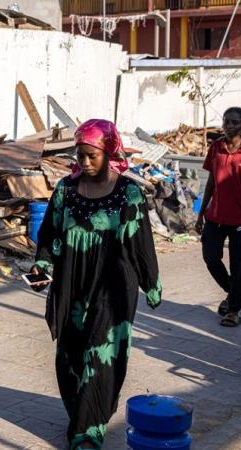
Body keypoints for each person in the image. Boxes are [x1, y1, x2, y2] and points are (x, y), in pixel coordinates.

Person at [30, 119, 162, 449]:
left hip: (115, 287)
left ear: (109, 152)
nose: (85, 162)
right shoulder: (66, 190)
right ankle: (86, 415)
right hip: (73, 285)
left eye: (92, 155)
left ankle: (88, 433)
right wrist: (42, 265)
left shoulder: (128, 193)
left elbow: (142, 243)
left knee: (98, 356)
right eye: (80, 155)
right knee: (69, 358)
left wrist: (151, 282)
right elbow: (49, 234)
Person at [195, 107, 241, 327]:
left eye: (234, 122)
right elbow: (211, 182)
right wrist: (200, 214)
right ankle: (232, 290)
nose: (229, 126)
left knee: (239, 265)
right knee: (210, 257)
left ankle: (234, 310)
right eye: (226, 122)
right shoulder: (216, 148)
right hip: (215, 216)